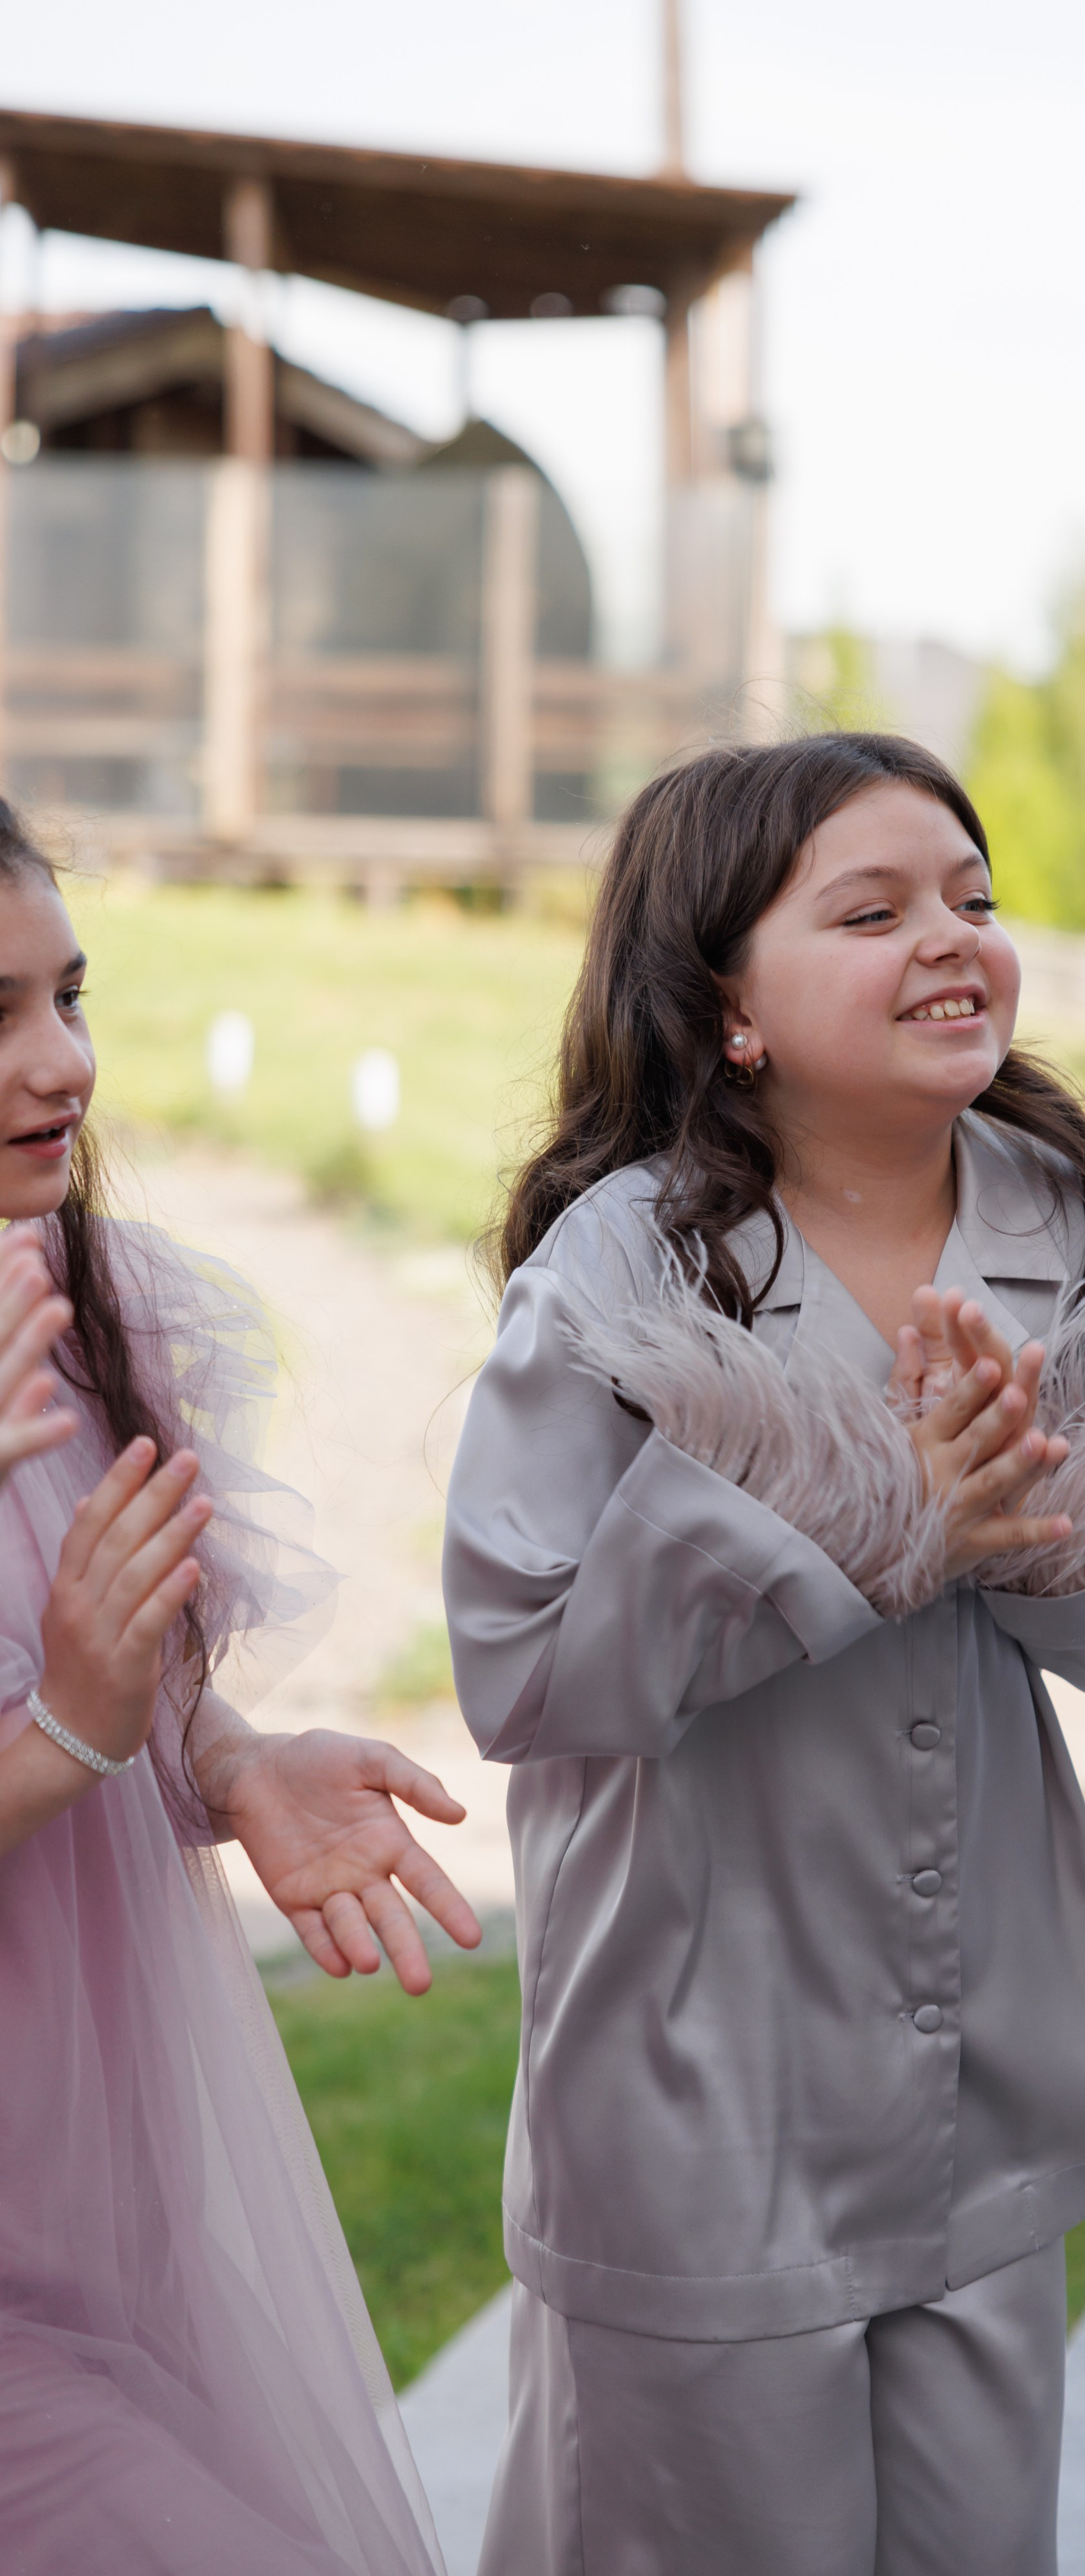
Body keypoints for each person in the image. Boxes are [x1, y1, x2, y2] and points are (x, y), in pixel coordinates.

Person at [443, 731, 1085, 2576]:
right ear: (727, 1000)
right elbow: (520, 1663)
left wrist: (1036, 1512)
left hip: (978, 2055)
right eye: (875, 907)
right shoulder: (626, 1270)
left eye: (975, 896)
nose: (953, 936)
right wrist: (874, 1525)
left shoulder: (1061, 1216)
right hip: (698, 2065)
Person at [0, 796, 485, 2574]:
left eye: (70, 993)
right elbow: (54, 1698)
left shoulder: (96, 1315)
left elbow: (113, 1669)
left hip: (84, 2215)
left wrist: (224, 1755)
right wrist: (63, 1737)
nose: (64, 1062)